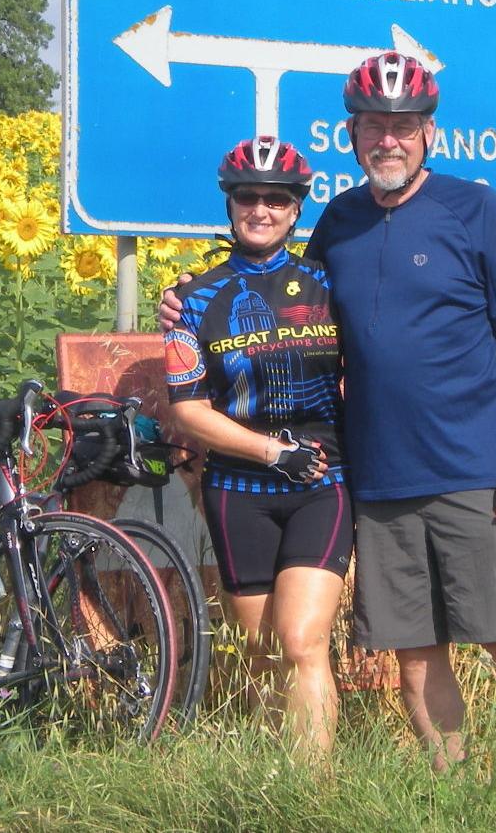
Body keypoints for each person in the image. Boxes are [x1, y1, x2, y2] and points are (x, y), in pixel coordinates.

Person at [163, 53, 496, 781]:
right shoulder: (340, 223)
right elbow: (283, 297)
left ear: (429, 134)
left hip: (474, 470)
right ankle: (458, 797)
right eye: (374, 125)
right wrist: (186, 301)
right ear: (352, 134)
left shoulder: (475, 210)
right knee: (414, 656)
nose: (389, 139)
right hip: (376, 479)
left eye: (404, 126)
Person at [163, 136, 353, 761]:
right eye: (250, 196)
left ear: (297, 209)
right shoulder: (193, 300)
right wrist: (271, 453)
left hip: (320, 486)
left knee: (301, 641)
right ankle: (279, 782)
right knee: (265, 653)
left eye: (278, 198)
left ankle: (313, 796)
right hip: (238, 491)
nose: (262, 209)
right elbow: (188, 410)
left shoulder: (327, 283)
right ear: (231, 203)